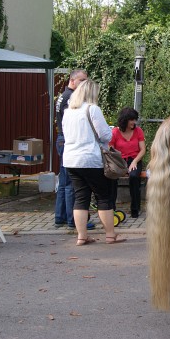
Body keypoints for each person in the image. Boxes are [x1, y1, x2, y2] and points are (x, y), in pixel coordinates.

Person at [62, 79, 126, 246]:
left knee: (80, 197)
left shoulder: (68, 112)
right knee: (103, 197)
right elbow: (106, 136)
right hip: (91, 159)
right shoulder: (93, 109)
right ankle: (110, 235)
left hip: (70, 159)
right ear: (92, 93)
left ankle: (81, 236)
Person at [54, 69, 95, 230]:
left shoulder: (62, 96)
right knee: (71, 184)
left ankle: (60, 217)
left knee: (64, 183)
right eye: (82, 80)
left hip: (62, 139)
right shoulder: (71, 97)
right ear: (73, 80)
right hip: (68, 140)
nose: (85, 83)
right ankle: (73, 220)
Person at [109, 107, 146, 218]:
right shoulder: (115, 132)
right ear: (125, 120)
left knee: (134, 177)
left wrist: (134, 161)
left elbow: (143, 149)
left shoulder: (138, 131)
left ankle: (135, 209)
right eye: (132, 120)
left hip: (134, 159)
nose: (134, 122)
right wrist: (118, 163)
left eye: (135, 120)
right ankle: (111, 209)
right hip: (119, 160)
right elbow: (110, 148)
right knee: (112, 177)